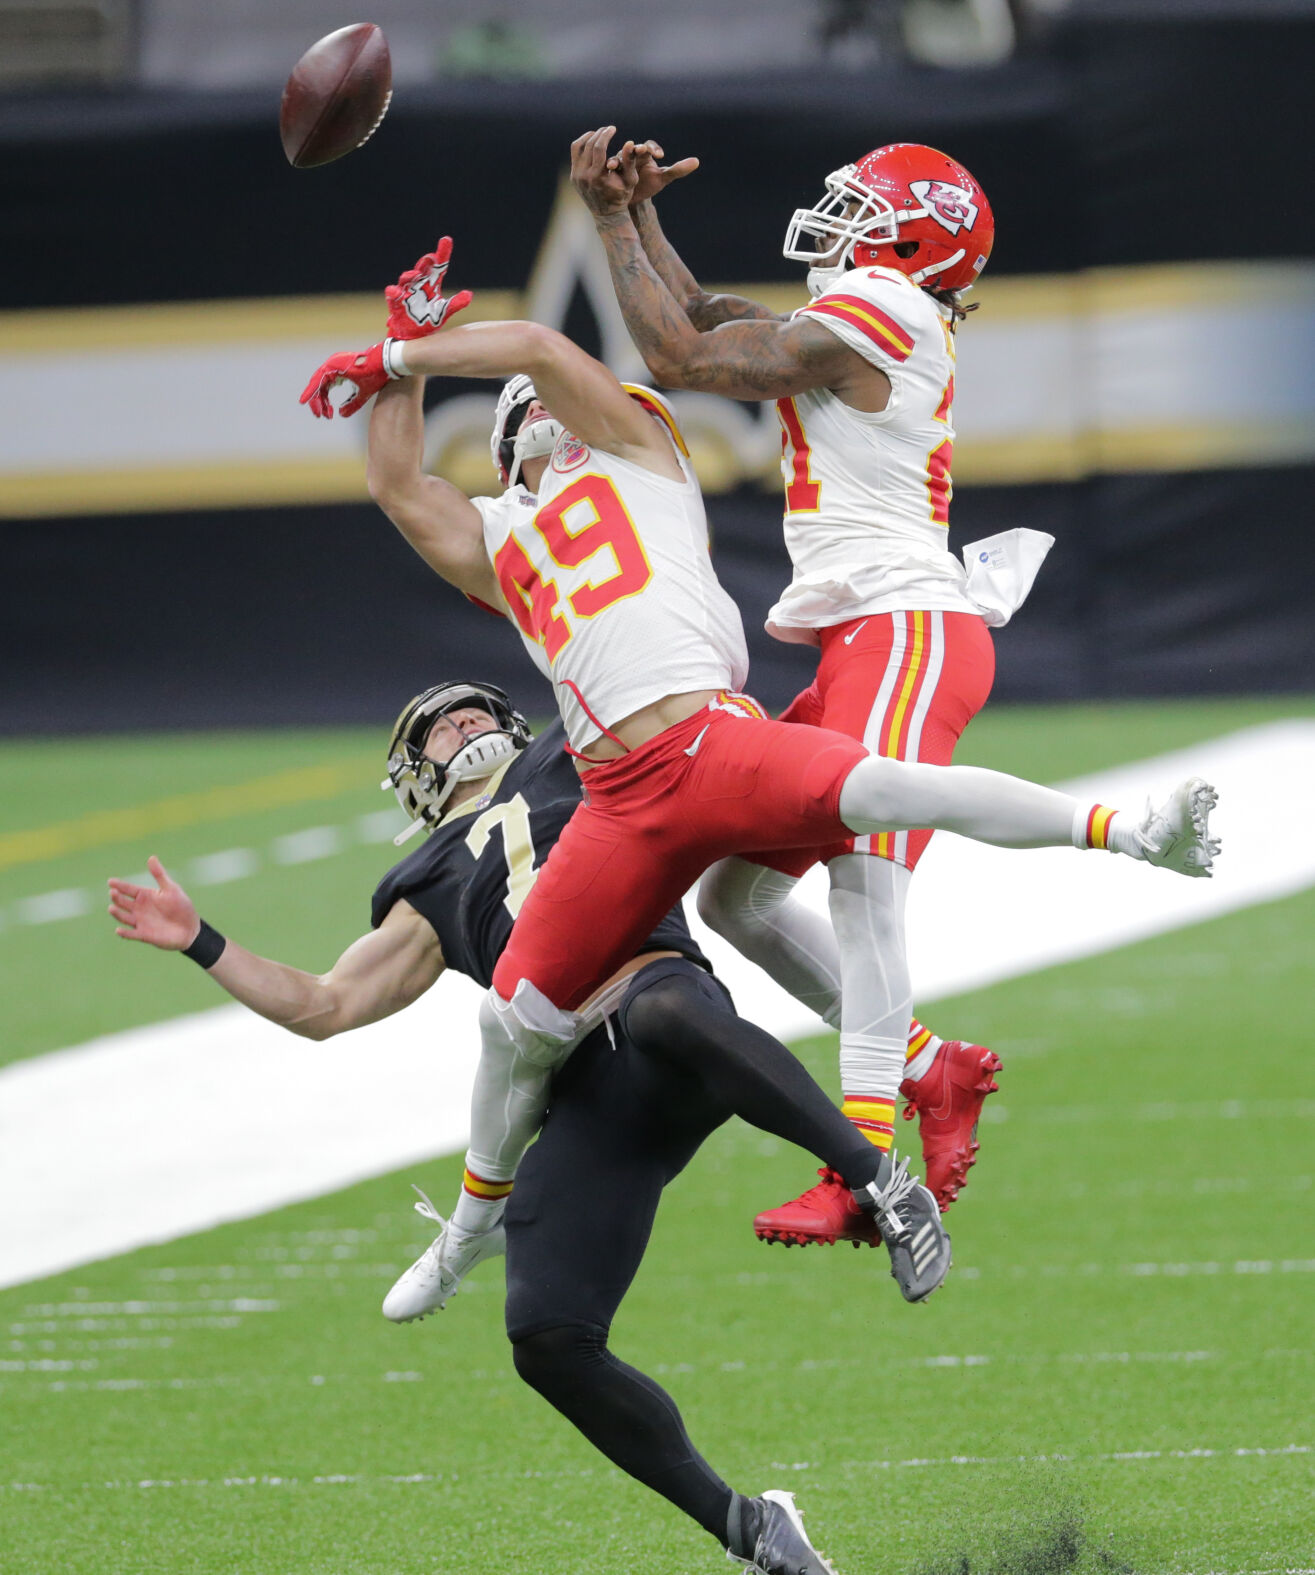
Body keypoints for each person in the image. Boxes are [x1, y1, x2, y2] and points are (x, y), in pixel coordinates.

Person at [297, 239, 1218, 1307]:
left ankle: (1133, 830)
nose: (545, 411)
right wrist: (394, 375)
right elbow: (396, 482)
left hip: (711, 741)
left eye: (549, 403)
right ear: (504, 448)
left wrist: (404, 348)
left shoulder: (637, 447)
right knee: (515, 1025)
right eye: (525, 413)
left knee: (886, 791)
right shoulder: (501, 539)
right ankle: (469, 1229)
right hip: (616, 795)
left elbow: (544, 346)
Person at [106, 677, 874, 1574]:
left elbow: (687, 702)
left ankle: (873, 1176)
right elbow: (323, 1003)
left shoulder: (577, 752)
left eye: (472, 709)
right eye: (433, 725)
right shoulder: (424, 883)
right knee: (547, 1338)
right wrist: (204, 939)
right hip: (589, 1090)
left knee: (665, 1011)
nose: (459, 721)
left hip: (664, 997)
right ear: (410, 775)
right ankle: (751, 1528)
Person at [569, 128, 1038, 1234]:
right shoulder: (873, 310)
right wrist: (636, 217)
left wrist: (603, 222)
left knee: (866, 891)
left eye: (860, 212)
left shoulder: (891, 306)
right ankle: (931, 1068)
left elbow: (680, 359)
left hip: (905, 626)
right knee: (736, 894)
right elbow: (704, 323)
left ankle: (863, 1169)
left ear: (908, 241)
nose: (837, 225)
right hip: (865, 637)